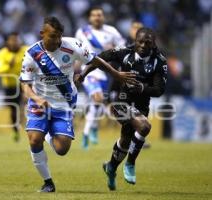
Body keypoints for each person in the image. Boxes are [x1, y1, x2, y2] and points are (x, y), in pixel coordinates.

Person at [19, 16, 136, 193]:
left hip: (64, 102)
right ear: (42, 34)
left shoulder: (72, 45)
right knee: (35, 139)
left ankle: (49, 134)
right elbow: (25, 86)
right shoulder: (31, 54)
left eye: (59, 36)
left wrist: (116, 74)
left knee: (62, 149)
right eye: (52, 36)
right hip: (40, 103)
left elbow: (96, 60)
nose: (57, 40)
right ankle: (48, 182)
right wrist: (37, 99)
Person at [79, 27, 168, 190]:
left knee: (125, 140)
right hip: (121, 102)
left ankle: (111, 167)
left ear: (153, 44)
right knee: (144, 126)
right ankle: (130, 164)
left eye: (147, 42)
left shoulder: (159, 61)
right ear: (135, 41)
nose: (142, 45)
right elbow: (99, 59)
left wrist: (142, 88)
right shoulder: (124, 52)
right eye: (139, 41)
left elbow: (159, 90)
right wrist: (83, 74)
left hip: (141, 105)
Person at [75, 7, 126, 149]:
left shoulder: (112, 31)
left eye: (99, 15)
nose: (97, 17)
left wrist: (113, 49)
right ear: (90, 18)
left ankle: (91, 129)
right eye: (94, 15)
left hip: (106, 72)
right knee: (97, 98)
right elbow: (77, 51)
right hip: (89, 70)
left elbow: (123, 48)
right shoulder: (82, 32)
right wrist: (76, 68)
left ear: (103, 17)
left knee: (99, 103)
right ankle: (87, 133)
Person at [0, 32, 27, 142]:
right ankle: (15, 130)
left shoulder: (26, 50)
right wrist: (9, 65)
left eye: (16, 40)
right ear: (7, 42)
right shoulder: (2, 54)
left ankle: (34, 127)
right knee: (13, 110)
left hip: (25, 83)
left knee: (28, 103)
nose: (14, 42)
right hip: (10, 85)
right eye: (12, 40)